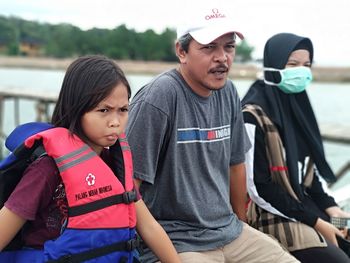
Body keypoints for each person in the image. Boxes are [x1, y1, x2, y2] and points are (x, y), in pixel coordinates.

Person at [126, 5, 299, 263]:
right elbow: (129, 189)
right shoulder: (159, 98)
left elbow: (236, 166)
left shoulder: (227, 92)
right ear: (181, 51)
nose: (222, 58)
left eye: (228, 47)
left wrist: (241, 225)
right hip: (176, 239)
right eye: (209, 48)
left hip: (229, 232)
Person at [0, 55, 181, 263]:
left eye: (123, 110)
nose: (115, 122)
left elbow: (149, 227)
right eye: (104, 110)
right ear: (76, 109)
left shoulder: (115, 167)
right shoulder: (46, 169)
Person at [242, 32, 350, 262]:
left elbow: (308, 173)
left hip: (307, 209)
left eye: (306, 65)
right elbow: (259, 188)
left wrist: (332, 209)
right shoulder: (251, 115)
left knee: (347, 230)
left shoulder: (297, 108)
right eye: (292, 64)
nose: (301, 71)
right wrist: (318, 222)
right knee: (338, 259)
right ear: (274, 65)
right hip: (271, 215)